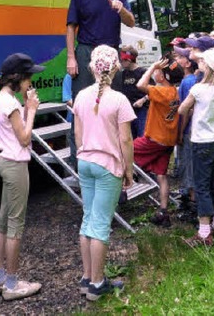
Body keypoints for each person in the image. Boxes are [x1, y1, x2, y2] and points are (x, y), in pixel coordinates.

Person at [73, 45, 135, 301]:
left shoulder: (80, 97)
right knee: (100, 224)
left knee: (88, 219)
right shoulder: (119, 100)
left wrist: (85, 153)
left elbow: (77, 134)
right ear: (116, 68)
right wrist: (128, 170)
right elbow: (126, 140)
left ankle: (87, 278)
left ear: (91, 68)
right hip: (108, 166)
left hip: (85, 162)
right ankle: (98, 284)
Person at [0, 53, 44, 301]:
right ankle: (11, 285)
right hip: (16, 166)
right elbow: (24, 138)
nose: (30, 82)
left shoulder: (4, 98)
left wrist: (24, 103)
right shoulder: (10, 104)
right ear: (17, 78)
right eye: (28, 77)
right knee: (15, 226)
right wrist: (31, 110)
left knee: (2, 222)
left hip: (5, 162)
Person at [66, 0, 135, 99]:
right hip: (86, 51)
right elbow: (71, 27)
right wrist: (71, 57)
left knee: (111, 97)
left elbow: (131, 22)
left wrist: (121, 9)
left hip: (111, 51)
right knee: (82, 98)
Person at [178, 49, 214, 247]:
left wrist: (191, 108)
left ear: (207, 67)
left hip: (201, 142)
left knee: (201, 185)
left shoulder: (198, 89)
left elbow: (182, 109)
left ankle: (204, 231)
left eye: (202, 61)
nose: (199, 63)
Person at [133, 56, 184, 227]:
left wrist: (153, 66)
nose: (155, 72)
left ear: (162, 76)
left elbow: (140, 85)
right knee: (161, 175)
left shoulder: (162, 91)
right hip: (168, 141)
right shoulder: (176, 92)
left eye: (157, 71)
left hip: (155, 140)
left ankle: (123, 188)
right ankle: (164, 212)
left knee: (122, 149)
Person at [174, 46, 199, 218]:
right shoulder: (188, 80)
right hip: (192, 130)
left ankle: (193, 207)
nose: (176, 58)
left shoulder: (188, 81)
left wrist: (180, 132)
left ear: (187, 63)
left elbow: (187, 110)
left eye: (179, 56)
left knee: (189, 167)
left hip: (189, 130)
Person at [120, 45, 150, 138]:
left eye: (123, 60)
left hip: (141, 111)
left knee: (142, 136)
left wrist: (143, 100)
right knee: (130, 137)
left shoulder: (142, 72)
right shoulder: (124, 73)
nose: (121, 63)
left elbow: (154, 91)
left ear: (129, 60)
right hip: (129, 110)